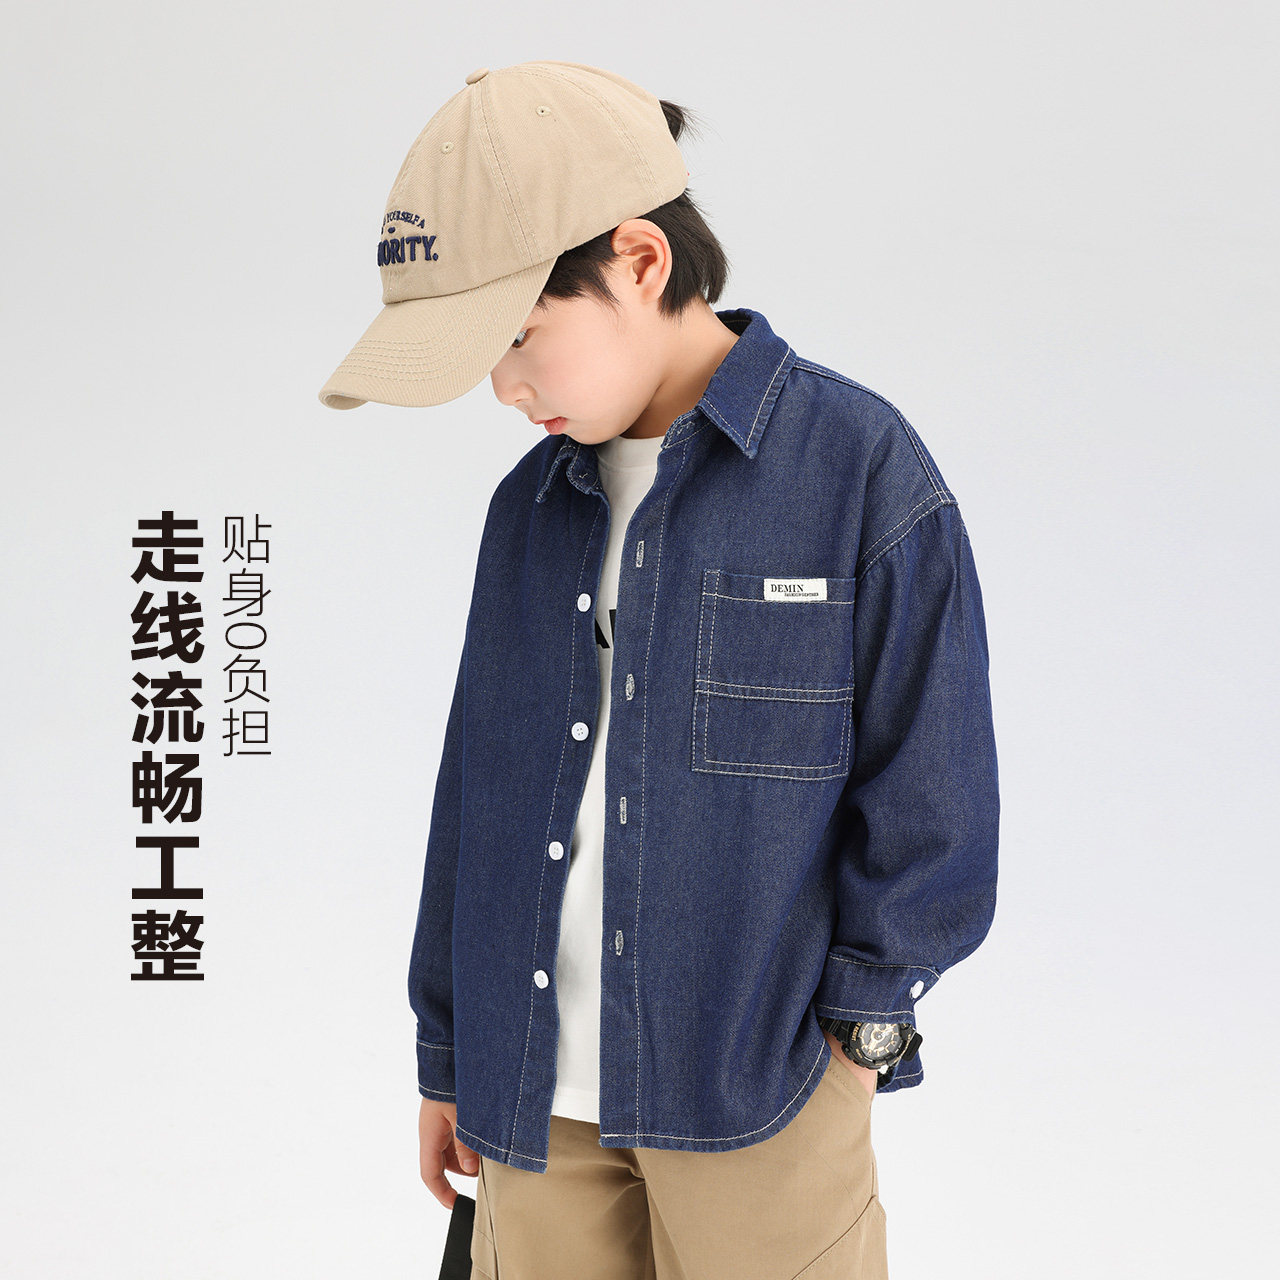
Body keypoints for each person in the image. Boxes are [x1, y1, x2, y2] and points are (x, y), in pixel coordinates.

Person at [318, 59, 999, 1280]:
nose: (503, 386)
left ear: (637, 261)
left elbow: (931, 792)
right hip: (530, 1104)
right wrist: (451, 1052)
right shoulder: (527, 509)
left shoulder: (857, 471)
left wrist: (858, 1036)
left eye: (515, 335)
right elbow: (475, 792)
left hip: (759, 1095)